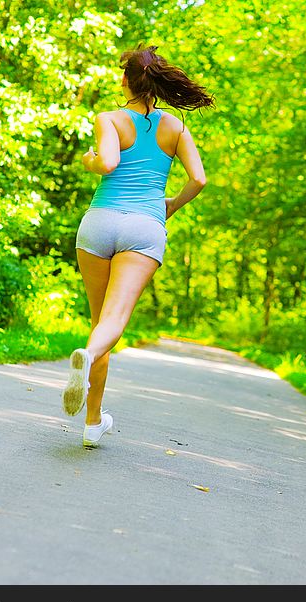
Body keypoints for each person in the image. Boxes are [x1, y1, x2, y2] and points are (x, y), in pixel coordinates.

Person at [62, 44, 214, 447]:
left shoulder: (109, 119)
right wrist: (170, 208)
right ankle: (88, 360)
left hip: (99, 222)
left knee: (98, 321)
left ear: (125, 80)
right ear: (159, 85)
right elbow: (198, 179)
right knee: (112, 324)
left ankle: (93, 423)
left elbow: (108, 163)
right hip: (145, 226)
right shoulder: (175, 129)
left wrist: (88, 160)